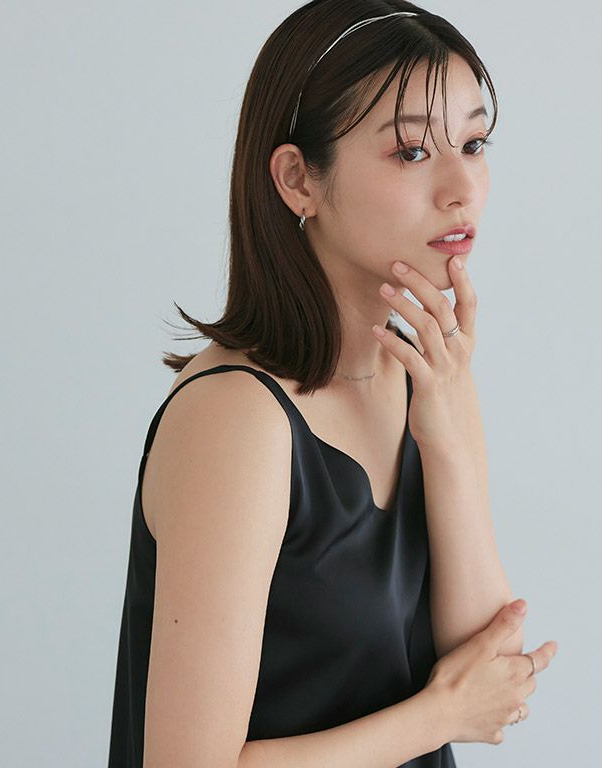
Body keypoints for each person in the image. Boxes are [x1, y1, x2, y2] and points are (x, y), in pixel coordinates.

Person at [107, 1, 559, 766]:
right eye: (411, 151)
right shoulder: (237, 419)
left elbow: (492, 668)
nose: (462, 187)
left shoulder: (425, 375)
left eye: (474, 143)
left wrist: (450, 436)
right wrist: (438, 715)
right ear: (297, 180)